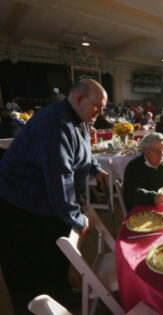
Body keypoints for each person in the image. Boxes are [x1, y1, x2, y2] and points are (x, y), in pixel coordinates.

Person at [0, 79, 109, 312]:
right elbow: (60, 180)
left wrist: (95, 168)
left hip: (45, 204)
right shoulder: (55, 123)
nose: (100, 113)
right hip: (22, 207)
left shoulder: (77, 118)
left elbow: (82, 152)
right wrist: (76, 218)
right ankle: (38, 307)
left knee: (54, 256)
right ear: (79, 98)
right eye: (97, 106)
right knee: (30, 267)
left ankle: (59, 292)